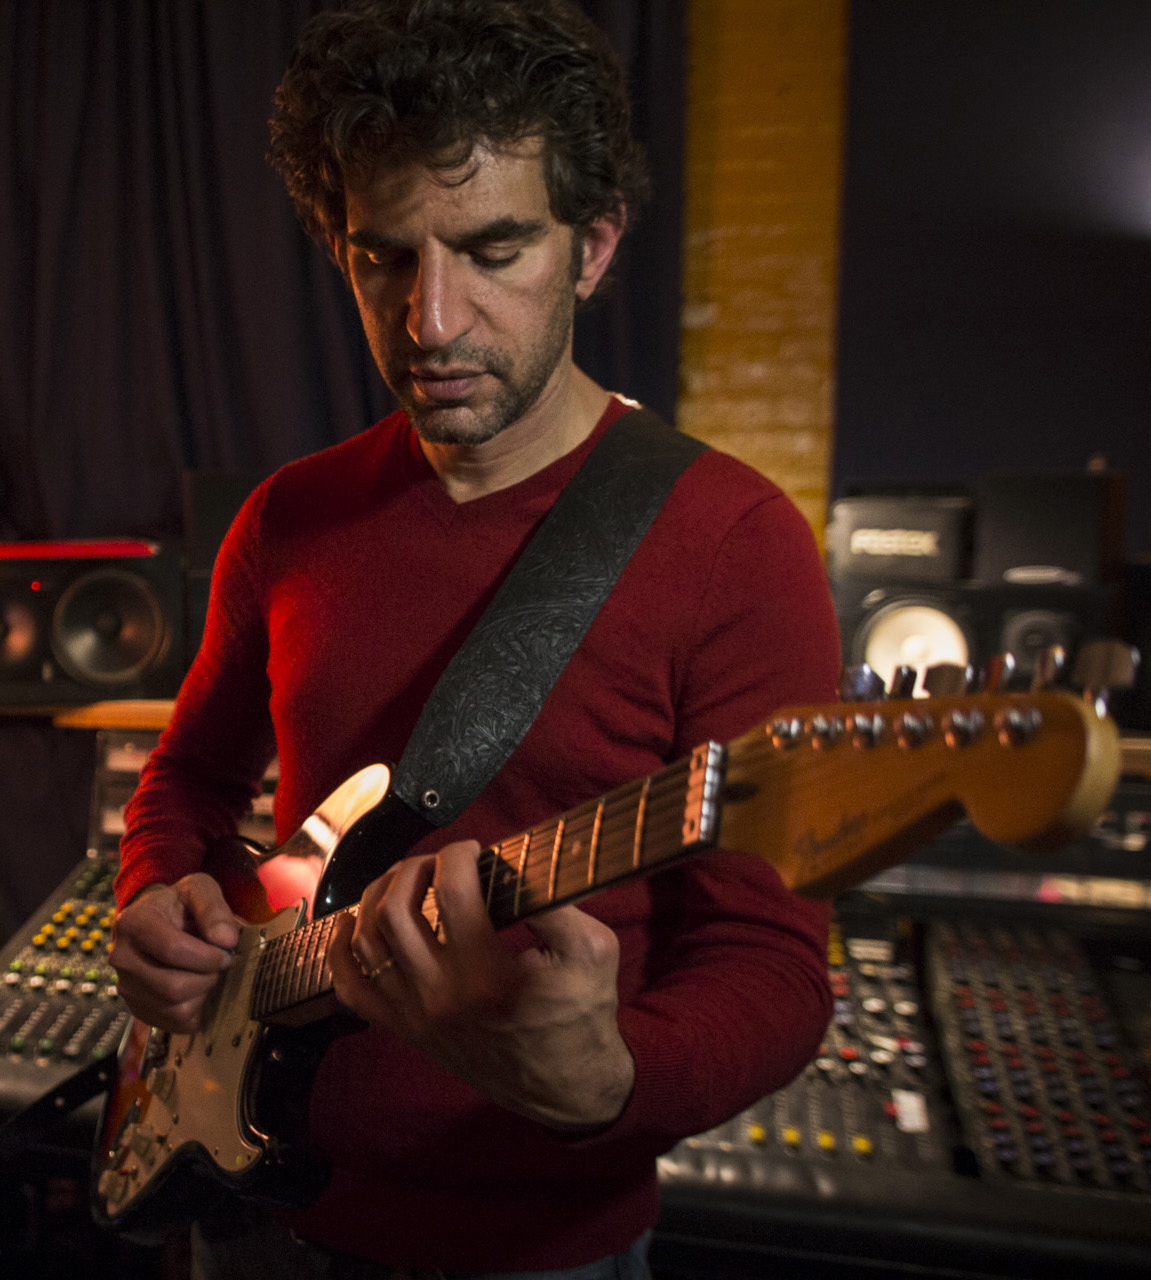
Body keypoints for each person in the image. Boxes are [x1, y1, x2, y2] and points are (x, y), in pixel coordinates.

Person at [110, 1, 842, 1275]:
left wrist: (612, 1076)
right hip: (253, 1203)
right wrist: (155, 900)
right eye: (383, 258)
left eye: (493, 249)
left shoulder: (734, 541)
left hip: (542, 1248)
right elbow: (186, 781)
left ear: (592, 246)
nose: (431, 319)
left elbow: (771, 963)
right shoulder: (286, 517)